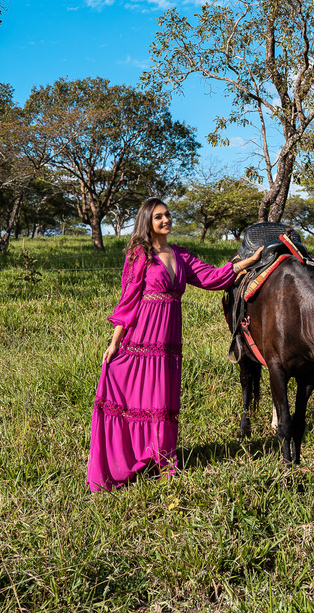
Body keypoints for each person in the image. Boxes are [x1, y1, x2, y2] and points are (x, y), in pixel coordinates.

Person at [86, 197, 262, 491]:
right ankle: (130, 458)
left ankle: (161, 459)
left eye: (167, 215)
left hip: (168, 341)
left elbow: (211, 277)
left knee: (162, 399)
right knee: (136, 398)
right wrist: (115, 341)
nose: (166, 220)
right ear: (147, 222)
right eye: (158, 217)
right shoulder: (139, 255)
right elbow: (128, 300)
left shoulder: (180, 255)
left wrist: (246, 262)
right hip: (141, 336)